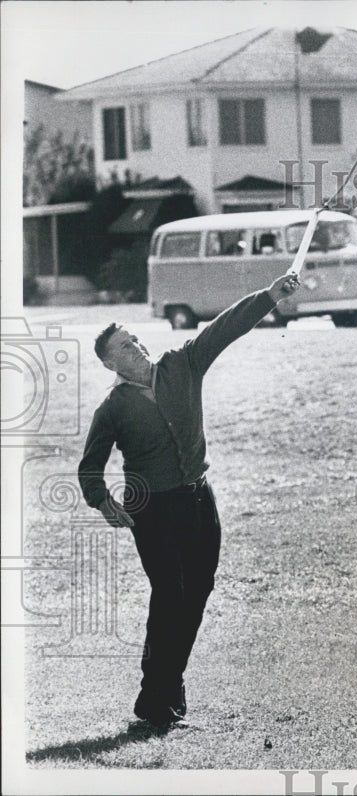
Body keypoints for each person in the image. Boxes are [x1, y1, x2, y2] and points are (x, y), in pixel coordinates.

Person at [78, 273, 300, 727]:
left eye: (134, 338)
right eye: (123, 346)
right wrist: (101, 501)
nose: (135, 346)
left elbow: (225, 327)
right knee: (169, 594)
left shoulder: (183, 364)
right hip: (152, 510)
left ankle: (167, 685)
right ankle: (155, 698)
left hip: (199, 501)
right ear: (109, 363)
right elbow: (90, 465)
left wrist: (271, 296)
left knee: (197, 590)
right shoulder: (113, 408)